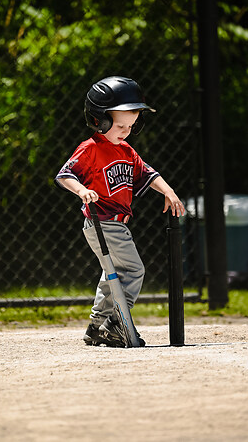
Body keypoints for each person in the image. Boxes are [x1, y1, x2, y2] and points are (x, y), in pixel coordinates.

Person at [55, 76, 185, 347]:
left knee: (110, 275)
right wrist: (81, 191)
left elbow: (147, 173)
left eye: (132, 125)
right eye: (120, 125)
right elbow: (64, 175)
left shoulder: (126, 150)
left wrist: (169, 191)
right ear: (98, 120)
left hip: (116, 224)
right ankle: (116, 323)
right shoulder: (90, 149)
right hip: (102, 222)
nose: (126, 131)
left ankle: (96, 326)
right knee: (134, 270)